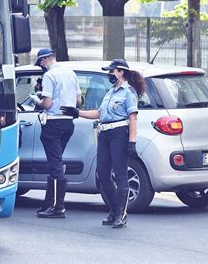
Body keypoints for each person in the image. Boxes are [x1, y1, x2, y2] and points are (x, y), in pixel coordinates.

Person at [61, 59, 145, 228]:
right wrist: (77, 112)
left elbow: (133, 118)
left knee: (121, 174)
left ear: (121, 72)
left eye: (111, 71)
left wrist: (132, 142)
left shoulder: (128, 92)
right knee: (102, 173)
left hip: (119, 134)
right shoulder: (110, 92)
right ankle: (114, 210)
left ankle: (121, 213)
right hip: (104, 133)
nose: (109, 74)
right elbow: (99, 113)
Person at [29, 49, 81, 219]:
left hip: (53, 123)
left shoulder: (49, 76)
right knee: (55, 163)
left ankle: (58, 207)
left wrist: (37, 99)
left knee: (56, 165)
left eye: (41, 63)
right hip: (68, 123)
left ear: (45, 60)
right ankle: (48, 204)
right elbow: (79, 101)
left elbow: (47, 103)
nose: (42, 66)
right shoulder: (70, 73)